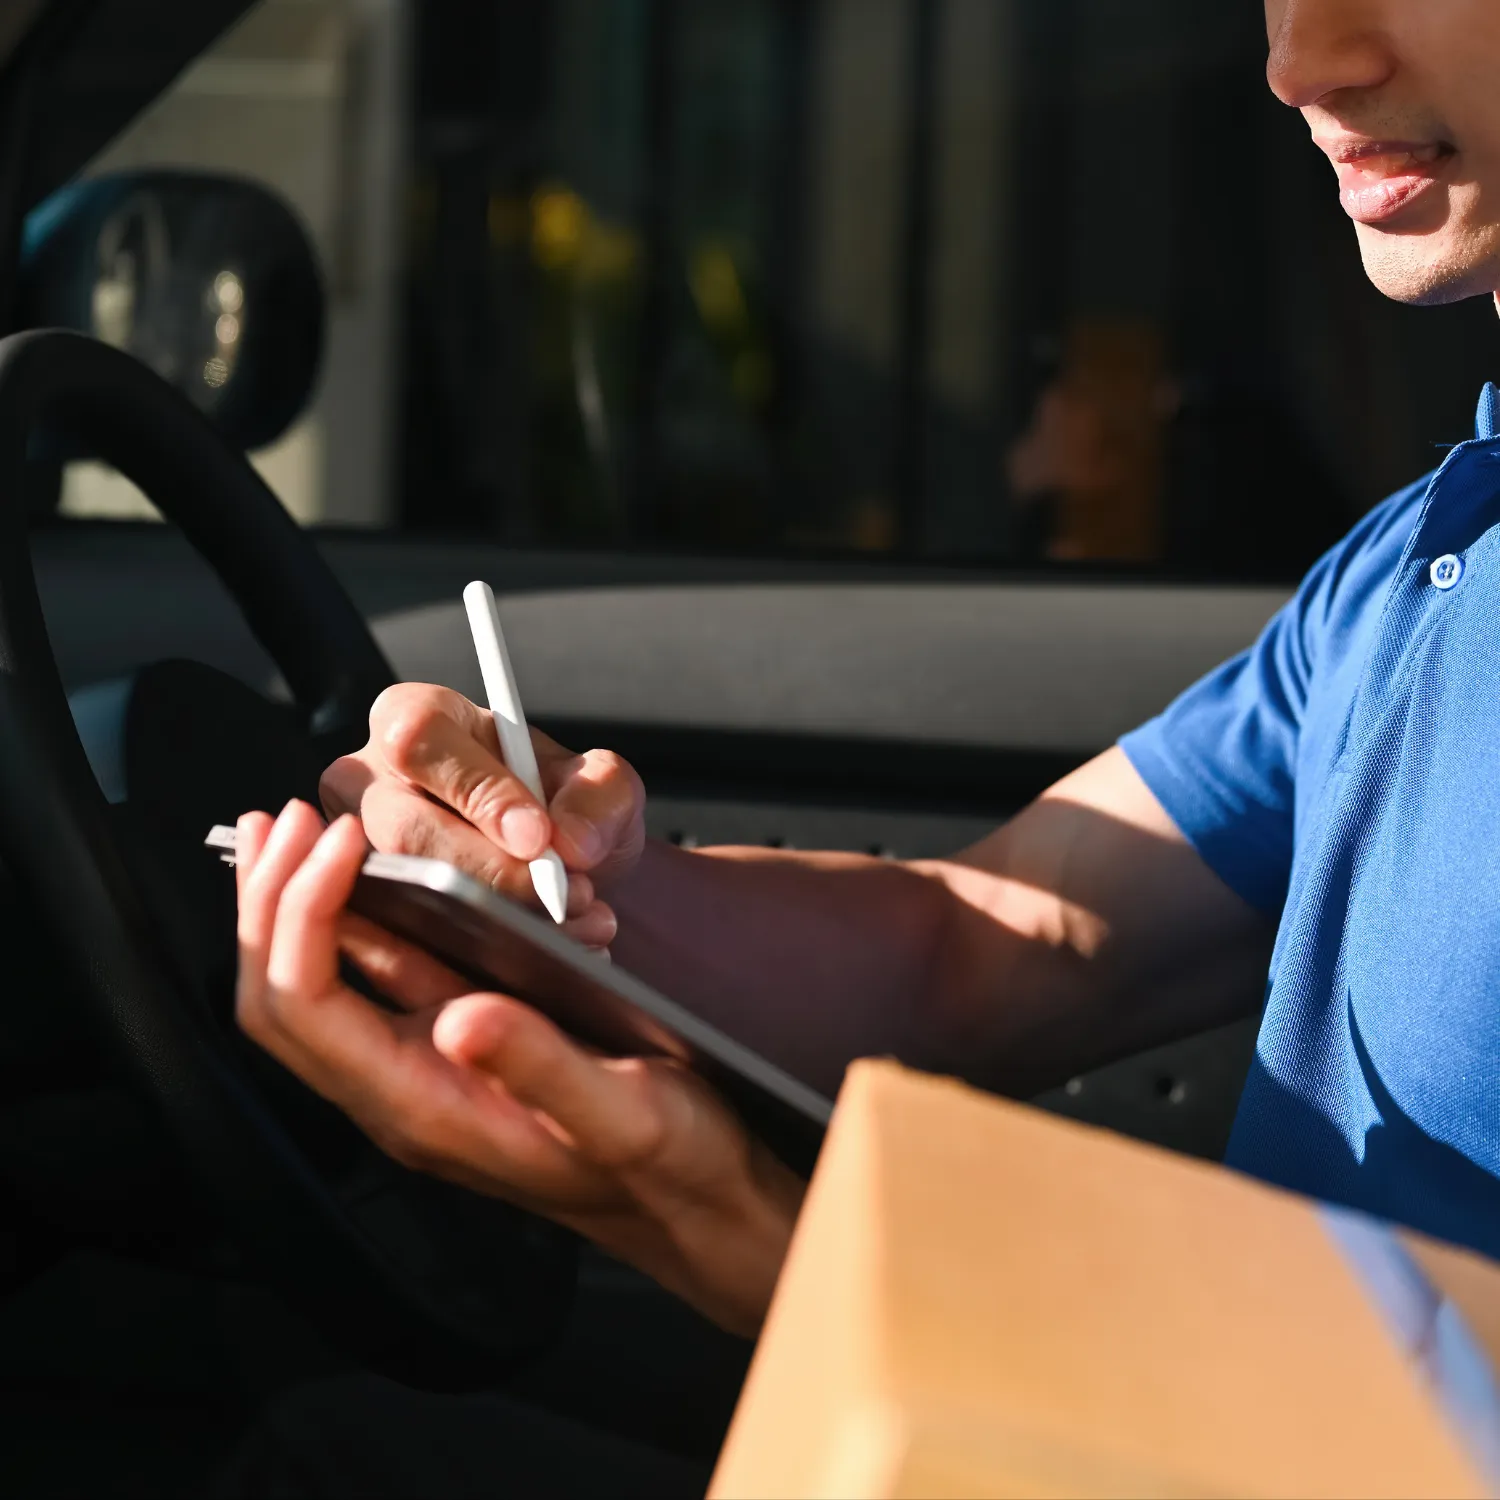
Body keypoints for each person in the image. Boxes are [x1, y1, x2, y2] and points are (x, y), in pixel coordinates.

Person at [235, 0, 1500, 1380]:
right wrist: (529, 894)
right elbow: (991, 944)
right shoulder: (1426, 555)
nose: (1301, 62)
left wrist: (782, 1257)